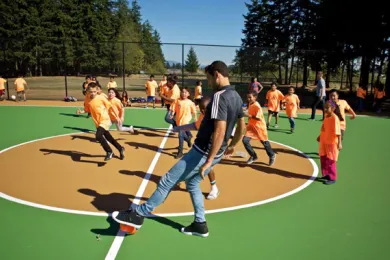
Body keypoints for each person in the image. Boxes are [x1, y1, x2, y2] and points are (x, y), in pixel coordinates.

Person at [112, 60, 245, 237]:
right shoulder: (236, 96)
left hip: (202, 152)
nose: (209, 83)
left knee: (167, 180)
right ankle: (200, 224)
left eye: (209, 79)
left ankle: (138, 214)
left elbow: (220, 130)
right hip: (213, 152)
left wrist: (210, 160)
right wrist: (233, 145)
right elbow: (241, 126)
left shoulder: (219, 97)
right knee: (192, 184)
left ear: (217, 75)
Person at [173, 96, 220, 200]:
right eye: (200, 108)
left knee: (208, 166)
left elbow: (228, 132)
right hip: (201, 146)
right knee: (194, 162)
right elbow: (195, 126)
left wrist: (231, 145)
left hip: (211, 148)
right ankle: (186, 179)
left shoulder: (218, 117)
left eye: (204, 108)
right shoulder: (203, 115)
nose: (202, 110)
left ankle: (214, 188)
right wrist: (180, 128)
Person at [76, 83, 125, 161]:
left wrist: (118, 117)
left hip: (104, 120)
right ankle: (120, 148)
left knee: (98, 136)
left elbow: (111, 107)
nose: (93, 93)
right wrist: (81, 112)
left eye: (94, 91)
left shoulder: (101, 98)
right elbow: (87, 109)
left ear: (97, 91)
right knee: (109, 138)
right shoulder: (87, 99)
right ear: (88, 91)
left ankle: (109, 151)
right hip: (97, 122)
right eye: (91, 92)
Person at [242, 91, 276, 165]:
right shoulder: (250, 103)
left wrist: (247, 115)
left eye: (250, 97)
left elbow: (258, 118)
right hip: (251, 127)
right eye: (248, 97)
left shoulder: (257, 106)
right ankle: (253, 156)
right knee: (245, 140)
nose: (249, 99)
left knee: (264, 143)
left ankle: (272, 155)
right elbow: (249, 111)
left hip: (259, 127)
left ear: (255, 97)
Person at [316, 100, 343, 185]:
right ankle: (326, 174)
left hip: (331, 142)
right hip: (324, 141)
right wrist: (320, 136)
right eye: (325, 107)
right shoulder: (326, 116)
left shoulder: (335, 118)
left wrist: (339, 143)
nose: (325, 109)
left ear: (333, 108)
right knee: (323, 158)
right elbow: (323, 127)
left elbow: (338, 132)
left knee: (331, 160)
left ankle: (333, 177)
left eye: (327, 107)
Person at [167, 87, 197, 159]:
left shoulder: (190, 102)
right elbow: (173, 108)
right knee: (182, 135)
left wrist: (195, 117)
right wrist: (172, 114)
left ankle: (180, 152)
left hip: (185, 121)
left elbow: (194, 111)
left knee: (180, 135)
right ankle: (187, 139)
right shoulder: (178, 101)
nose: (183, 93)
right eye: (182, 92)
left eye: (185, 92)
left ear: (188, 94)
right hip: (179, 121)